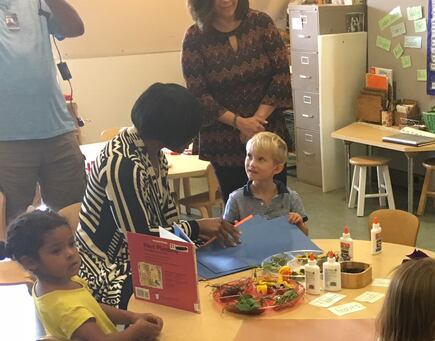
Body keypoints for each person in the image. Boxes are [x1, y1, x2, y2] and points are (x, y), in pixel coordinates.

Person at [0, 210, 193, 341]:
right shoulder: (66, 308)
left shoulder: (57, 286)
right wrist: (136, 331)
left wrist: (131, 318)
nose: (71, 253)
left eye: (72, 244)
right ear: (30, 262)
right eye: (57, 251)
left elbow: (95, 306)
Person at [77, 83, 240, 309]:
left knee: (219, 271)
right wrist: (197, 228)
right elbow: (140, 240)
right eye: (191, 131)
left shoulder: (154, 155)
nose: (194, 138)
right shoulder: (124, 165)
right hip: (109, 268)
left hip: (146, 253)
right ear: (173, 132)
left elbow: (166, 219)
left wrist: (195, 235)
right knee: (193, 294)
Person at [182, 0, 292, 201]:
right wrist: (239, 123)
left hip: (266, 131)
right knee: (237, 212)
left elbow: (281, 74)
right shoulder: (195, 37)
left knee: (276, 204)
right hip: (223, 139)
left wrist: (255, 123)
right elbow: (198, 93)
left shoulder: (261, 23)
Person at [0, 0, 86, 224]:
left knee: (75, 216)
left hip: (56, 129)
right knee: (10, 223)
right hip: (7, 138)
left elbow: (75, 29)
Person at [223, 132, 308, 235]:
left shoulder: (291, 197)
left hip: (283, 249)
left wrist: (299, 223)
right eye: (249, 156)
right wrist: (234, 232)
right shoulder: (236, 199)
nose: (252, 164)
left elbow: (305, 235)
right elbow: (225, 236)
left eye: (260, 159)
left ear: (277, 168)